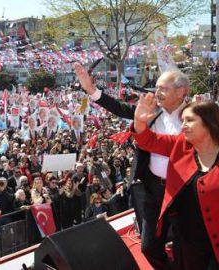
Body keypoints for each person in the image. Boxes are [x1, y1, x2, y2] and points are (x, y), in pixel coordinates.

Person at [74, 63, 189, 270]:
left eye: (164, 88)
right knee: (148, 247)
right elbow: (119, 107)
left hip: (185, 190)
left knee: (187, 246)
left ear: (182, 91)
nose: (157, 93)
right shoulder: (149, 112)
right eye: (157, 88)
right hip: (154, 188)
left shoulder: (195, 114)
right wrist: (91, 89)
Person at [133, 96, 219, 269]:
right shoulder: (180, 144)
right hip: (186, 238)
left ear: (209, 122)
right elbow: (147, 140)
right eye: (182, 120)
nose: (183, 125)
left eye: (190, 120)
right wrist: (139, 121)